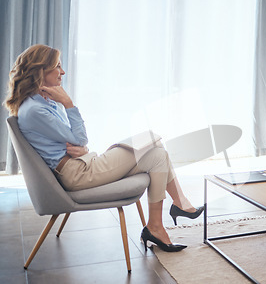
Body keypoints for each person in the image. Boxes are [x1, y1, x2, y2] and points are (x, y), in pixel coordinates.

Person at [3, 44, 204, 252]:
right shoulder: (36, 110)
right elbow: (79, 139)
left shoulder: (43, 102)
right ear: (40, 71)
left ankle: (161, 222)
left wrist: (80, 144)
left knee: (158, 154)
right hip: (78, 173)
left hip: (81, 164)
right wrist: (69, 104)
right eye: (57, 66)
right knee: (152, 139)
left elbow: (76, 142)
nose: (62, 72)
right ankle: (175, 207)